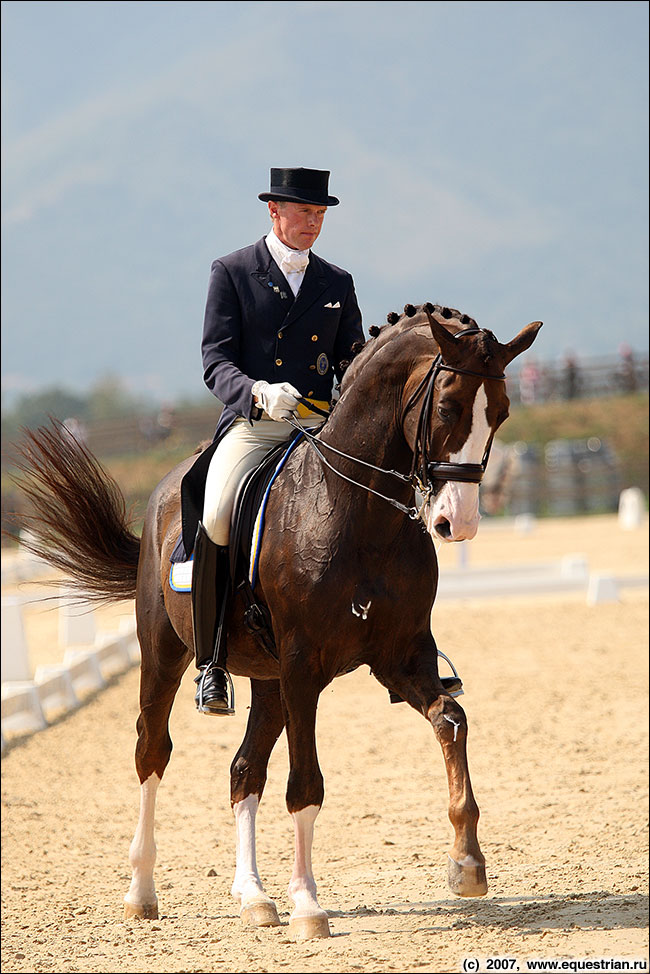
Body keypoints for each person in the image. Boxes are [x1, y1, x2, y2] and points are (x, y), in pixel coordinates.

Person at [191, 167, 364, 715]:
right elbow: (215, 361)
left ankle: (405, 637)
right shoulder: (234, 271)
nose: (313, 223)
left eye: (320, 215)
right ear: (274, 212)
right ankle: (213, 662)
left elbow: (352, 360)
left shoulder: (337, 282)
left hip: (318, 426)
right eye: (304, 213)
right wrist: (258, 393)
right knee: (218, 513)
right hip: (257, 424)